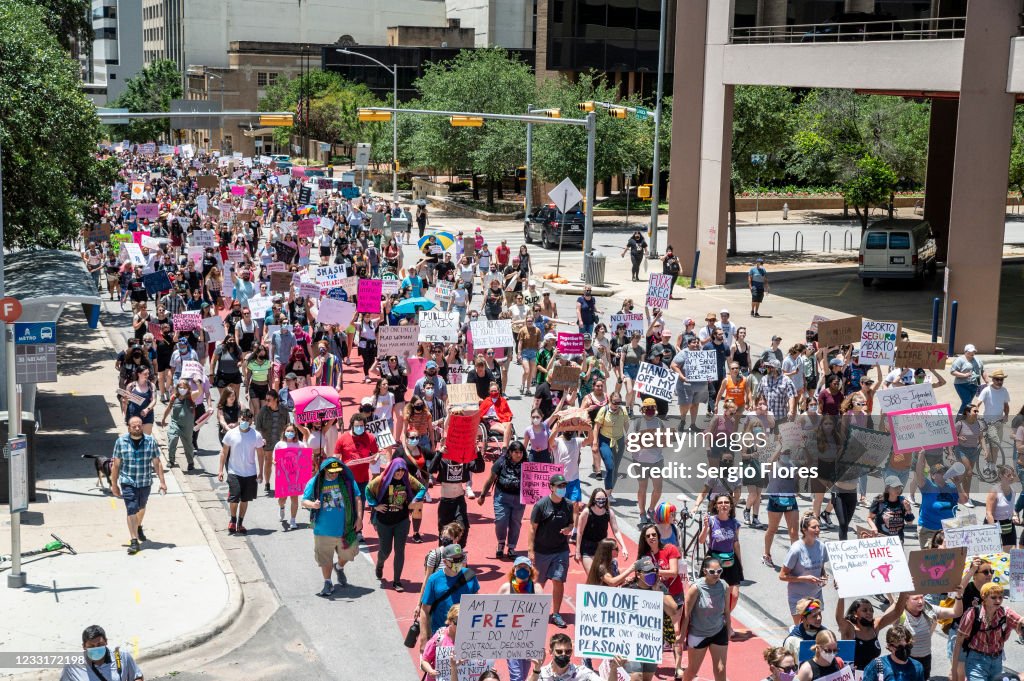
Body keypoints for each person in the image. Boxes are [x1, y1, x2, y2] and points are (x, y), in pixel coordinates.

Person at [301, 457, 362, 597]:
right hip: (323, 530)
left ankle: (339, 567)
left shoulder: (347, 481)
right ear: (324, 470)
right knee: (325, 559)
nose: (334, 474)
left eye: (337, 471)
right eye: (331, 472)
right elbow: (304, 501)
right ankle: (327, 582)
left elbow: (358, 498)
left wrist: (359, 518)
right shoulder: (316, 482)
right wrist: (313, 505)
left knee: (350, 553)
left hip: (345, 528)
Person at [111, 416, 167, 555]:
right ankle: (134, 540)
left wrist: (162, 482)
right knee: (131, 509)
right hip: (127, 481)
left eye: (139, 426)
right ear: (129, 428)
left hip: (145, 481)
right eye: (134, 426)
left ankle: (138, 526)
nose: (137, 428)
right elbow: (116, 465)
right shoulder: (121, 442)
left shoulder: (150, 441)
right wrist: (114, 484)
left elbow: (157, 462)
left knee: (141, 507)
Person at [367, 457, 425, 591]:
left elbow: (422, 488)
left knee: (400, 550)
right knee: (385, 550)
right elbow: (368, 490)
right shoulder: (382, 479)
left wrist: (415, 500)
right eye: (397, 470)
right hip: (384, 522)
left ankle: (397, 581)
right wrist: (375, 505)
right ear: (392, 469)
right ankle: (380, 564)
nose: (400, 473)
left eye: (402, 470)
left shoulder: (407, 478)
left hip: (402, 521)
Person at [529, 474, 574, 629]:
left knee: (558, 580)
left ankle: (556, 614)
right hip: (542, 551)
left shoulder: (568, 505)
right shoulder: (541, 505)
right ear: (551, 487)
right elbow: (532, 528)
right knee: (539, 583)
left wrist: (568, 529)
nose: (562, 488)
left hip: (561, 550)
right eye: (559, 486)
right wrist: (531, 550)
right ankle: (534, 612)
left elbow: (571, 524)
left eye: (564, 486)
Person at [953, 582, 1024, 681]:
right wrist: (954, 669)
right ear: (984, 597)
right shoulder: (972, 613)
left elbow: (1021, 621)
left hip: (997, 661)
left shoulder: (1005, 612)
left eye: (1000, 597)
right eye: (993, 597)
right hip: (976, 661)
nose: (998, 600)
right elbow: (958, 641)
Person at [419, 543, 481, 648]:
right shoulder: (434, 580)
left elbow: (477, 603)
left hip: (467, 635)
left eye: (461, 558)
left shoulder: (470, 575)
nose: (459, 562)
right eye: (455, 559)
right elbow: (424, 610)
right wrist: (424, 639)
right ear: (445, 561)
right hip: (442, 636)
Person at [681, 556, 732, 681]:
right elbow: (686, 615)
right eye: (712, 572)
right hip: (699, 634)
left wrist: (729, 628)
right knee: (692, 671)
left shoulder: (724, 586)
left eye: (719, 571)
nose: (716, 574)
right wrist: (681, 636)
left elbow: (726, 611)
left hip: (718, 631)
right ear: (705, 571)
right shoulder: (696, 588)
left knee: (721, 669)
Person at [218, 409, 266, 535]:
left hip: (250, 473)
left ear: (251, 421)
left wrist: (261, 472)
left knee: (245, 499)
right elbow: (224, 452)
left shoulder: (256, 435)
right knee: (234, 499)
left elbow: (260, 455)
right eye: (243, 419)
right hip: (234, 472)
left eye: (247, 420)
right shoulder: (231, 433)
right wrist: (220, 470)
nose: (244, 421)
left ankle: (240, 523)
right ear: (239, 419)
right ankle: (233, 520)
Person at [478, 440, 527, 559]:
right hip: (502, 497)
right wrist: (483, 495)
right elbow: (490, 479)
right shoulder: (501, 462)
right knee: (501, 521)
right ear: (510, 452)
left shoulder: (527, 464)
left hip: (519, 499)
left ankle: (511, 547)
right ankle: (501, 543)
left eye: (521, 452)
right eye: (516, 452)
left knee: (515, 523)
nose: (519, 455)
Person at [834, 593, 909, 671]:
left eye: (871, 610)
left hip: (873, 674)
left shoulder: (875, 626)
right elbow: (839, 618)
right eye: (864, 610)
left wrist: (903, 594)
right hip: (852, 675)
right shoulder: (849, 630)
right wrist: (841, 595)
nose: (869, 612)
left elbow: (897, 613)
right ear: (855, 614)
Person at [779, 514, 829, 621]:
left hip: (815, 596)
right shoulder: (796, 550)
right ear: (804, 530)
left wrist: (824, 577)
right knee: (802, 627)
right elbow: (782, 576)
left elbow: (821, 568)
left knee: (814, 625)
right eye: (814, 527)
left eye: (819, 527)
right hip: (799, 599)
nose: (817, 530)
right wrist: (804, 579)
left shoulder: (821, 547)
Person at [60, 624, 143, 681]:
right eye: (91, 646)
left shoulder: (122, 656)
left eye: (99, 644)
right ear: (84, 646)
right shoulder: (72, 665)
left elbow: (137, 677)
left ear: (106, 642)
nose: (96, 649)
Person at [574, 488, 628, 574]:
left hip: (602, 547)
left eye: (603, 499)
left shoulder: (609, 512)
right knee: (592, 575)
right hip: (587, 547)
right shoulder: (586, 512)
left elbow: (616, 531)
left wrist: (623, 547)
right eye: (598, 499)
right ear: (593, 499)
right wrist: (577, 551)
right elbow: (580, 532)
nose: (601, 501)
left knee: (604, 575)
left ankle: (613, 566)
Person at [528, 632, 621, 681]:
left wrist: (613, 669)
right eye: (559, 651)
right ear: (551, 652)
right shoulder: (541, 673)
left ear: (571, 652)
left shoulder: (582, 673)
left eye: (568, 651)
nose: (564, 654)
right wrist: (536, 669)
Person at [159, 377, 202, 470]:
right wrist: (163, 418)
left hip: (187, 426)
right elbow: (169, 407)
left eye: (184, 387)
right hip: (175, 424)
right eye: (180, 387)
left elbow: (200, 392)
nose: (182, 389)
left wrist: (198, 382)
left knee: (188, 445)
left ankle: (190, 462)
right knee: (172, 439)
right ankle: (171, 460)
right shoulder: (174, 397)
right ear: (177, 387)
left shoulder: (191, 396)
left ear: (188, 388)